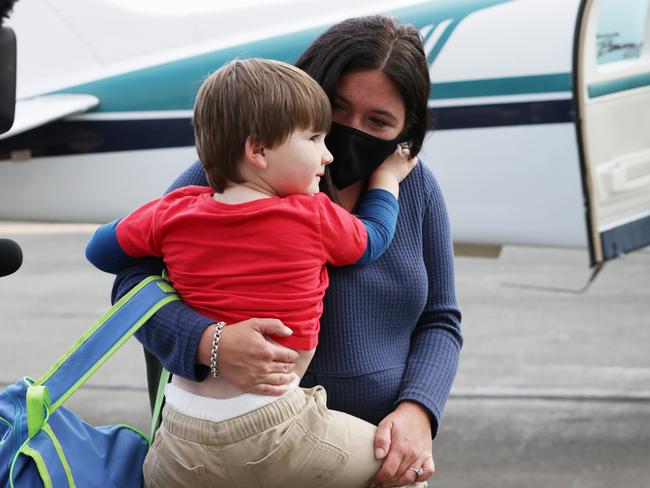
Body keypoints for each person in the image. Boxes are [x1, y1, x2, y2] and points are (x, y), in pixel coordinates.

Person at [112, 15, 462, 488]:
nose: (347, 134)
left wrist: (418, 410)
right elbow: (130, 285)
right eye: (336, 111)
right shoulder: (235, 174)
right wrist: (209, 343)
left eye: (378, 122)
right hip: (238, 453)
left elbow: (440, 319)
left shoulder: (415, 188)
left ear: (405, 131)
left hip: (363, 455)